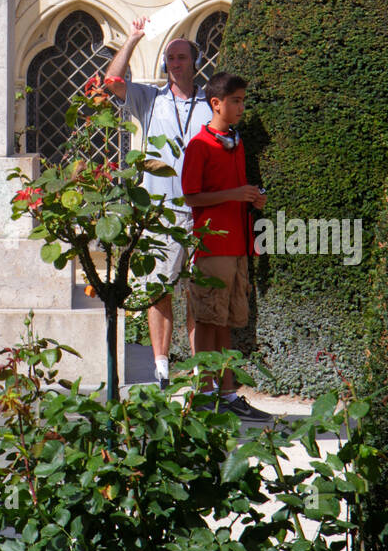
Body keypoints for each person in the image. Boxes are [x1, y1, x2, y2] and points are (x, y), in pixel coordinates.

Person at [103, 22, 211, 388]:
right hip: (160, 213)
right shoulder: (151, 99)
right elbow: (110, 82)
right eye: (170, 58)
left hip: (202, 213)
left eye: (181, 57)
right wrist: (132, 40)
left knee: (200, 293)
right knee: (158, 290)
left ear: (195, 62)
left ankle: (200, 368)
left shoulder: (210, 104)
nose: (175, 64)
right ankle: (161, 365)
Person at [180, 72, 272, 422]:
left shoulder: (236, 140)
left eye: (242, 101)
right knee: (207, 319)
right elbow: (191, 196)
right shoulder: (199, 145)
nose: (241, 107)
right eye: (235, 101)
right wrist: (235, 194)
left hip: (237, 245)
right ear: (215, 103)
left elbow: (233, 191)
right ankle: (204, 394)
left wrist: (253, 199)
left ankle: (228, 393)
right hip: (212, 245)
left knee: (227, 322)